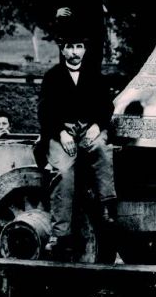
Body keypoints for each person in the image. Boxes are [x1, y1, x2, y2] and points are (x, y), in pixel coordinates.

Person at [37, 34, 116, 260]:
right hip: (62, 132)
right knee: (63, 171)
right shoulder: (52, 77)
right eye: (70, 47)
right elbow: (44, 111)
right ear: (63, 50)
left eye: (78, 47)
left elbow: (106, 107)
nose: (74, 52)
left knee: (102, 150)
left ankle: (107, 206)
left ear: (84, 50)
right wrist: (60, 132)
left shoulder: (94, 76)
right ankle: (60, 234)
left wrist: (97, 126)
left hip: (88, 130)